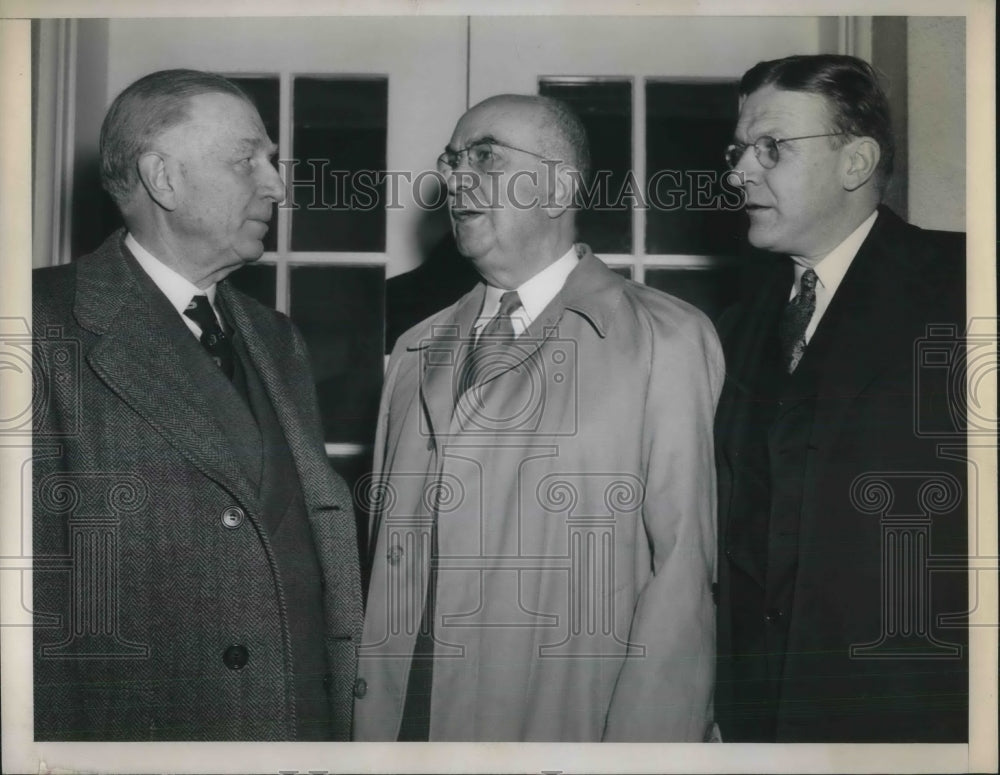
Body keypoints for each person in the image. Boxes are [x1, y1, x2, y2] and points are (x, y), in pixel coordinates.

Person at [353, 94, 724, 741]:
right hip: (408, 721)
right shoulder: (413, 349)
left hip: (569, 726)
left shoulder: (666, 338)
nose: (456, 179)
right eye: (452, 160)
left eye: (485, 157)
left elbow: (683, 580)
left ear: (557, 187)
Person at [32, 69, 362, 741]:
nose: (275, 183)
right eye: (249, 159)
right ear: (164, 179)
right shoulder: (37, 323)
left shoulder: (278, 338)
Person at [714, 54, 967, 742]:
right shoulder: (736, 331)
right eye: (739, 150)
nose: (738, 173)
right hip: (758, 725)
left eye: (771, 147)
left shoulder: (967, 287)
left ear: (856, 162)